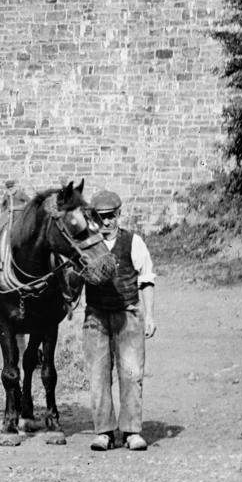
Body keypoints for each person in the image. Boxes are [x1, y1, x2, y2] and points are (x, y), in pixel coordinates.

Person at [83, 188, 158, 452]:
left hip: (128, 314)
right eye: (101, 217)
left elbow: (146, 279)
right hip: (96, 317)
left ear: (119, 215)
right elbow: (72, 279)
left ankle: (131, 431)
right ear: (94, 217)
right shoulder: (87, 246)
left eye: (111, 216)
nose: (106, 222)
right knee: (98, 374)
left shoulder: (133, 242)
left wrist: (149, 316)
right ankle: (104, 431)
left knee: (131, 372)